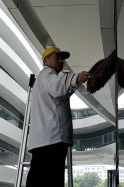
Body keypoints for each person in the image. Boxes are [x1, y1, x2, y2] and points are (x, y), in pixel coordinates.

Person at [26, 46, 90, 186]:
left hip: (44, 141)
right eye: (57, 57)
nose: (61, 60)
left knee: (37, 179)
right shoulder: (47, 74)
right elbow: (56, 86)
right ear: (46, 60)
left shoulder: (42, 78)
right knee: (52, 181)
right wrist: (76, 78)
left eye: (62, 58)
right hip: (52, 140)